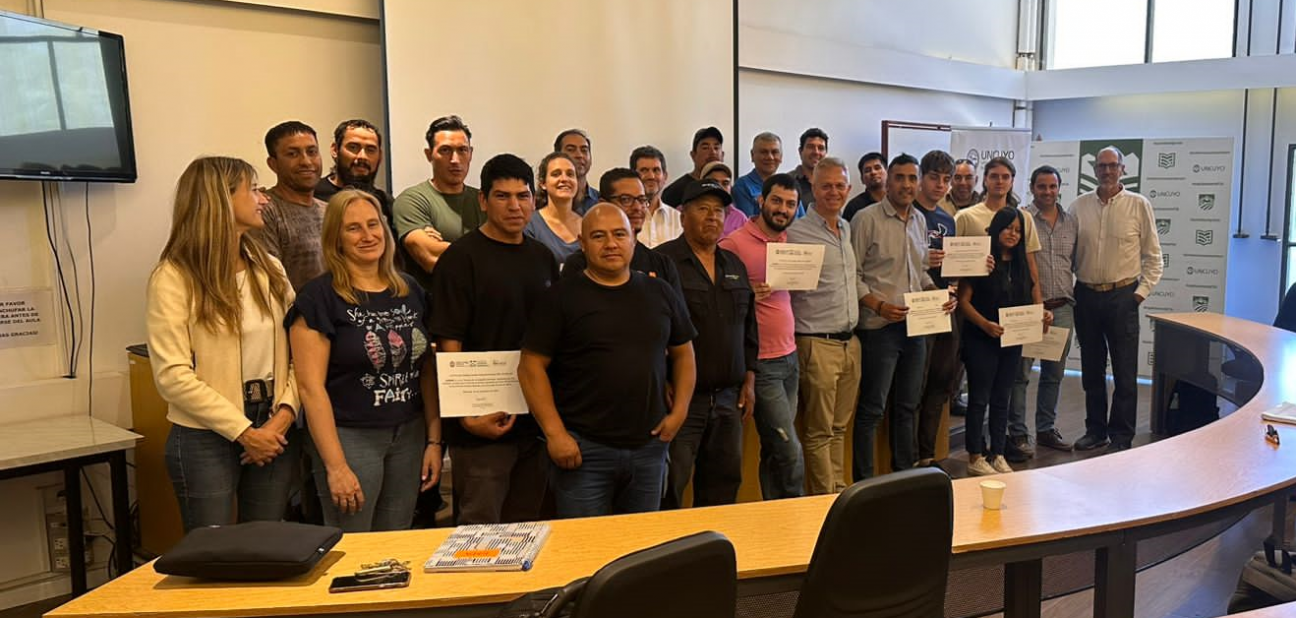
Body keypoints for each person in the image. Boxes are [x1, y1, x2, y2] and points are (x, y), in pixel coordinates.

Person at [147, 156, 299, 532]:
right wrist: (245, 432)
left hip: (274, 425)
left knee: (264, 547)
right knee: (210, 556)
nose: (263, 199)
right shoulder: (173, 278)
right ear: (220, 199)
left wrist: (282, 417)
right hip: (204, 436)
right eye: (253, 189)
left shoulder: (270, 269)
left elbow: (302, 352)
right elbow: (172, 376)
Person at [519, 204, 697, 517]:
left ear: (633, 239)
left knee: (643, 551)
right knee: (586, 550)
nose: (611, 244)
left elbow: (684, 354)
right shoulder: (561, 298)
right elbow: (530, 367)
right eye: (598, 236)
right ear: (582, 243)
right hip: (584, 451)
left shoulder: (661, 292)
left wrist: (680, 411)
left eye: (619, 234)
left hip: (650, 447)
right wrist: (555, 433)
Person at [288, 190, 442, 531]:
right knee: (351, 546)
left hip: (409, 434)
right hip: (349, 438)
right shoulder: (319, 298)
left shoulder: (410, 289)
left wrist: (434, 440)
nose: (368, 235)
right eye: (353, 228)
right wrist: (336, 466)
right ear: (336, 239)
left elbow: (426, 371)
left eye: (374, 225)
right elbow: (309, 388)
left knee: (395, 542)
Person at [430, 154, 558, 524]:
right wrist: (468, 417)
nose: (515, 206)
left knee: (528, 527)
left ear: (535, 200)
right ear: (483, 201)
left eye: (523, 195)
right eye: (503, 196)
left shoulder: (543, 258)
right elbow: (448, 343)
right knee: (479, 531)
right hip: (481, 426)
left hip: (534, 419)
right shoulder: (460, 259)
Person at [851, 153, 957, 480]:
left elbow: (920, 272)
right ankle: (865, 484)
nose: (907, 185)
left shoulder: (919, 221)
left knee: (908, 406)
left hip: (915, 328)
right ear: (888, 181)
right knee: (872, 410)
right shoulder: (866, 219)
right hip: (879, 328)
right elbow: (852, 275)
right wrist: (879, 305)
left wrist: (937, 296)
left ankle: (904, 477)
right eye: (900, 178)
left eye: (912, 178)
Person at [657, 180, 757, 508]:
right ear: (683, 215)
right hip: (684, 402)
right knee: (671, 486)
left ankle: (715, 555)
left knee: (724, 487)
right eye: (703, 209)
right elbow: (651, 330)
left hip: (729, 400)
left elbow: (749, 327)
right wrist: (662, 380)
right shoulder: (663, 262)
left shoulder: (734, 265)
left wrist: (750, 378)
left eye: (718, 211)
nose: (712, 217)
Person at [719, 173, 806, 499]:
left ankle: (774, 519)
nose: (783, 209)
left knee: (774, 450)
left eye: (790, 204)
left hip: (790, 356)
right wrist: (746, 293)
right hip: (762, 363)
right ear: (761, 201)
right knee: (789, 450)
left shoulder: (788, 243)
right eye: (777, 201)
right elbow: (721, 300)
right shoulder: (734, 244)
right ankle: (799, 515)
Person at [1072, 146, 1163, 453]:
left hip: (1124, 296)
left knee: (1125, 372)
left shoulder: (1139, 205)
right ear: (1094, 170)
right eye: (1101, 166)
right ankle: (1095, 431)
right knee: (1091, 370)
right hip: (1085, 296)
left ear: (1123, 169)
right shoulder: (1078, 206)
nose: (1107, 171)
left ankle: (1122, 437)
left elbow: (1154, 257)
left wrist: (1138, 295)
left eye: (1113, 166)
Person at [954, 156, 1043, 461]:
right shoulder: (967, 218)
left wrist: (1038, 310)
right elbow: (959, 277)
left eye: (1006, 176)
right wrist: (983, 324)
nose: (1013, 233)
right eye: (994, 176)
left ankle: (999, 453)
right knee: (979, 397)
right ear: (985, 180)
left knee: (1003, 396)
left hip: (1011, 335)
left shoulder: (1019, 258)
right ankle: (976, 456)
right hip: (980, 331)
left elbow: (1032, 272)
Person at [787, 156, 860, 495]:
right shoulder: (795, 234)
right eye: (826, 185)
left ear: (848, 189)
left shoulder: (846, 228)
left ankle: (840, 492)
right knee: (819, 432)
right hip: (816, 343)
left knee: (840, 428)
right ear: (812, 189)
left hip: (850, 344)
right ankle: (825, 503)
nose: (833, 192)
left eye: (839, 186)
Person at [1009, 165, 1078, 452]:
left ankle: (1046, 430)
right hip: (1028, 309)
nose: (1047, 192)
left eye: (1052, 186)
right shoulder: (1021, 219)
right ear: (1032, 187)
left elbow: (1074, 263)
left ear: (1059, 188)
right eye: (1041, 186)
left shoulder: (1072, 222)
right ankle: (1017, 433)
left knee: (1054, 374)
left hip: (1061, 309)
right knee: (1020, 375)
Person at [392, 115, 482, 289]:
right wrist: (489, 250)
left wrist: (445, 248)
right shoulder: (412, 200)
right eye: (445, 150)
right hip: (436, 306)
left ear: (470, 154)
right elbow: (430, 258)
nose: (455, 160)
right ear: (429, 154)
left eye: (462, 150)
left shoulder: (484, 200)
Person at [911, 150, 960, 468]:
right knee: (915, 383)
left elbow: (953, 265)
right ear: (921, 178)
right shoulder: (909, 214)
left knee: (941, 381)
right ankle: (908, 456)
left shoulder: (947, 220)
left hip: (946, 304)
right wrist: (923, 259)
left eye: (946, 179)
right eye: (934, 178)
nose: (940, 185)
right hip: (916, 306)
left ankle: (927, 453)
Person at [562, 169, 683, 296]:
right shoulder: (580, 264)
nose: (637, 208)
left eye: (641, 200)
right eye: (626, 200)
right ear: (603, 204)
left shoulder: (662, 264)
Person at [251, 120, 326, 291]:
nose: (306, 161)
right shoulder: (264, 211)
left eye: (312, 152)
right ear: (273, 164)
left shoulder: (330, 211)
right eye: (293, 154)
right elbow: (270, 284)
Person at [315, 119, 393, 227]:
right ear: (335, 150)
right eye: (353, 147)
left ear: (380, 156)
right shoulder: (313, 195)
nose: (362, 157)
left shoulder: (387, 204)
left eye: (370, 150)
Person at [524, 152, 582, 263]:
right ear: (543, 183)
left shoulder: (587, 224)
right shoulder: (530, 224)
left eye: (570, 174)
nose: (564, 179)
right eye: (556, 174)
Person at [632, 145, 683, 248]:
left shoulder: (678, 220)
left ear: (665, 177)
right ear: (632, 176)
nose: (651, 176)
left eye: (656, 170)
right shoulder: (625, 217)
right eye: (644, 170)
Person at [660, 126, 724, 207]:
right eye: (705, 148)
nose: (713, 152)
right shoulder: (675, 191)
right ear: (693, 155)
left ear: (723, 156)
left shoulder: (727, 188)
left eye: (716, 147)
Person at [732, 132, 783, 217]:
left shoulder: (789, 185)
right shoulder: (742, 186)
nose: (770, 157)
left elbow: (800, 220)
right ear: (752, 155)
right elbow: (748, 223)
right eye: (764, 152)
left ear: (781, 156)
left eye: (774, 152)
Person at [554, 129, 599, 214]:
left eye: (584, 150)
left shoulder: (600, 201)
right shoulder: (547, 200)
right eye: (571, 150)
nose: (579, 155)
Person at [699, 160, 746, 237]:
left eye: (725, 183)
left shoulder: (739, 218)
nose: (720, 188)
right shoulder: (686, 211)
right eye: (714, 182)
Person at [842, 152, 887, 222]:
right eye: (867, 170)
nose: (873, 172)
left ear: (888, 173)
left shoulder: (897, 201)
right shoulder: (854, 207)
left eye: (877, 168)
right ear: (862, 179)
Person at [791, 128, 829, 211]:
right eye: (811, 147)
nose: (816, 152)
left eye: (821, 148)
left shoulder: (831, 184)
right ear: (800, 151)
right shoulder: (788, 181)